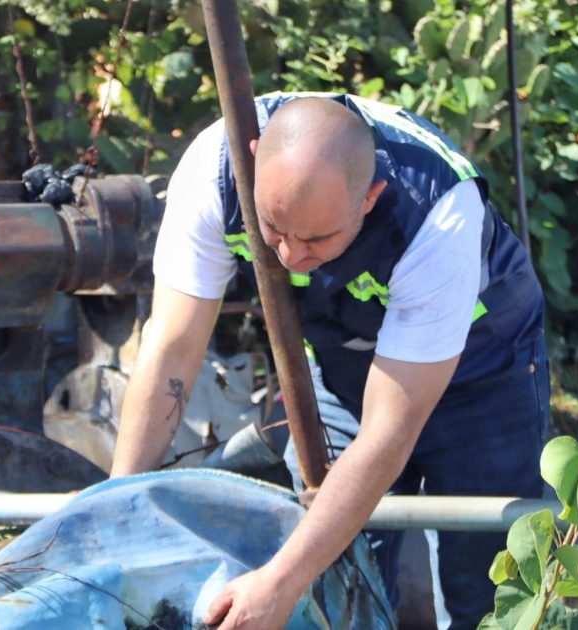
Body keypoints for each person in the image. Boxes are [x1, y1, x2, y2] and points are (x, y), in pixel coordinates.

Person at [110, 93, 549, 629]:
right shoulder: (213, 172)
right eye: (274, 228)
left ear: (370, 198)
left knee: (489, 585)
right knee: (331, 575)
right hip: (346, 368)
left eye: (316, 238)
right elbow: (172, 351)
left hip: (484, 375)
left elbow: (390, 431)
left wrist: (279, 583)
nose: (290, 256)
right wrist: (111, 513)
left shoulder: (436, 215)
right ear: (253, 160)